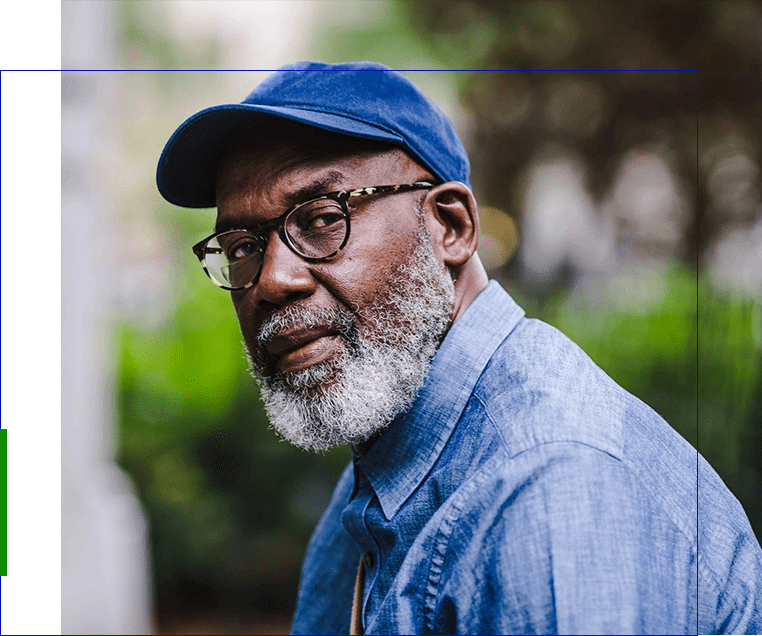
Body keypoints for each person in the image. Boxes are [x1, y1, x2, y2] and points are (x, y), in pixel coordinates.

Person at [157, 61, 762, 635]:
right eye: (241, 247)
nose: (270, 280)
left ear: (450, 226)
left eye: (320, 218)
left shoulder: (551, 486)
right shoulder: (392, 458)